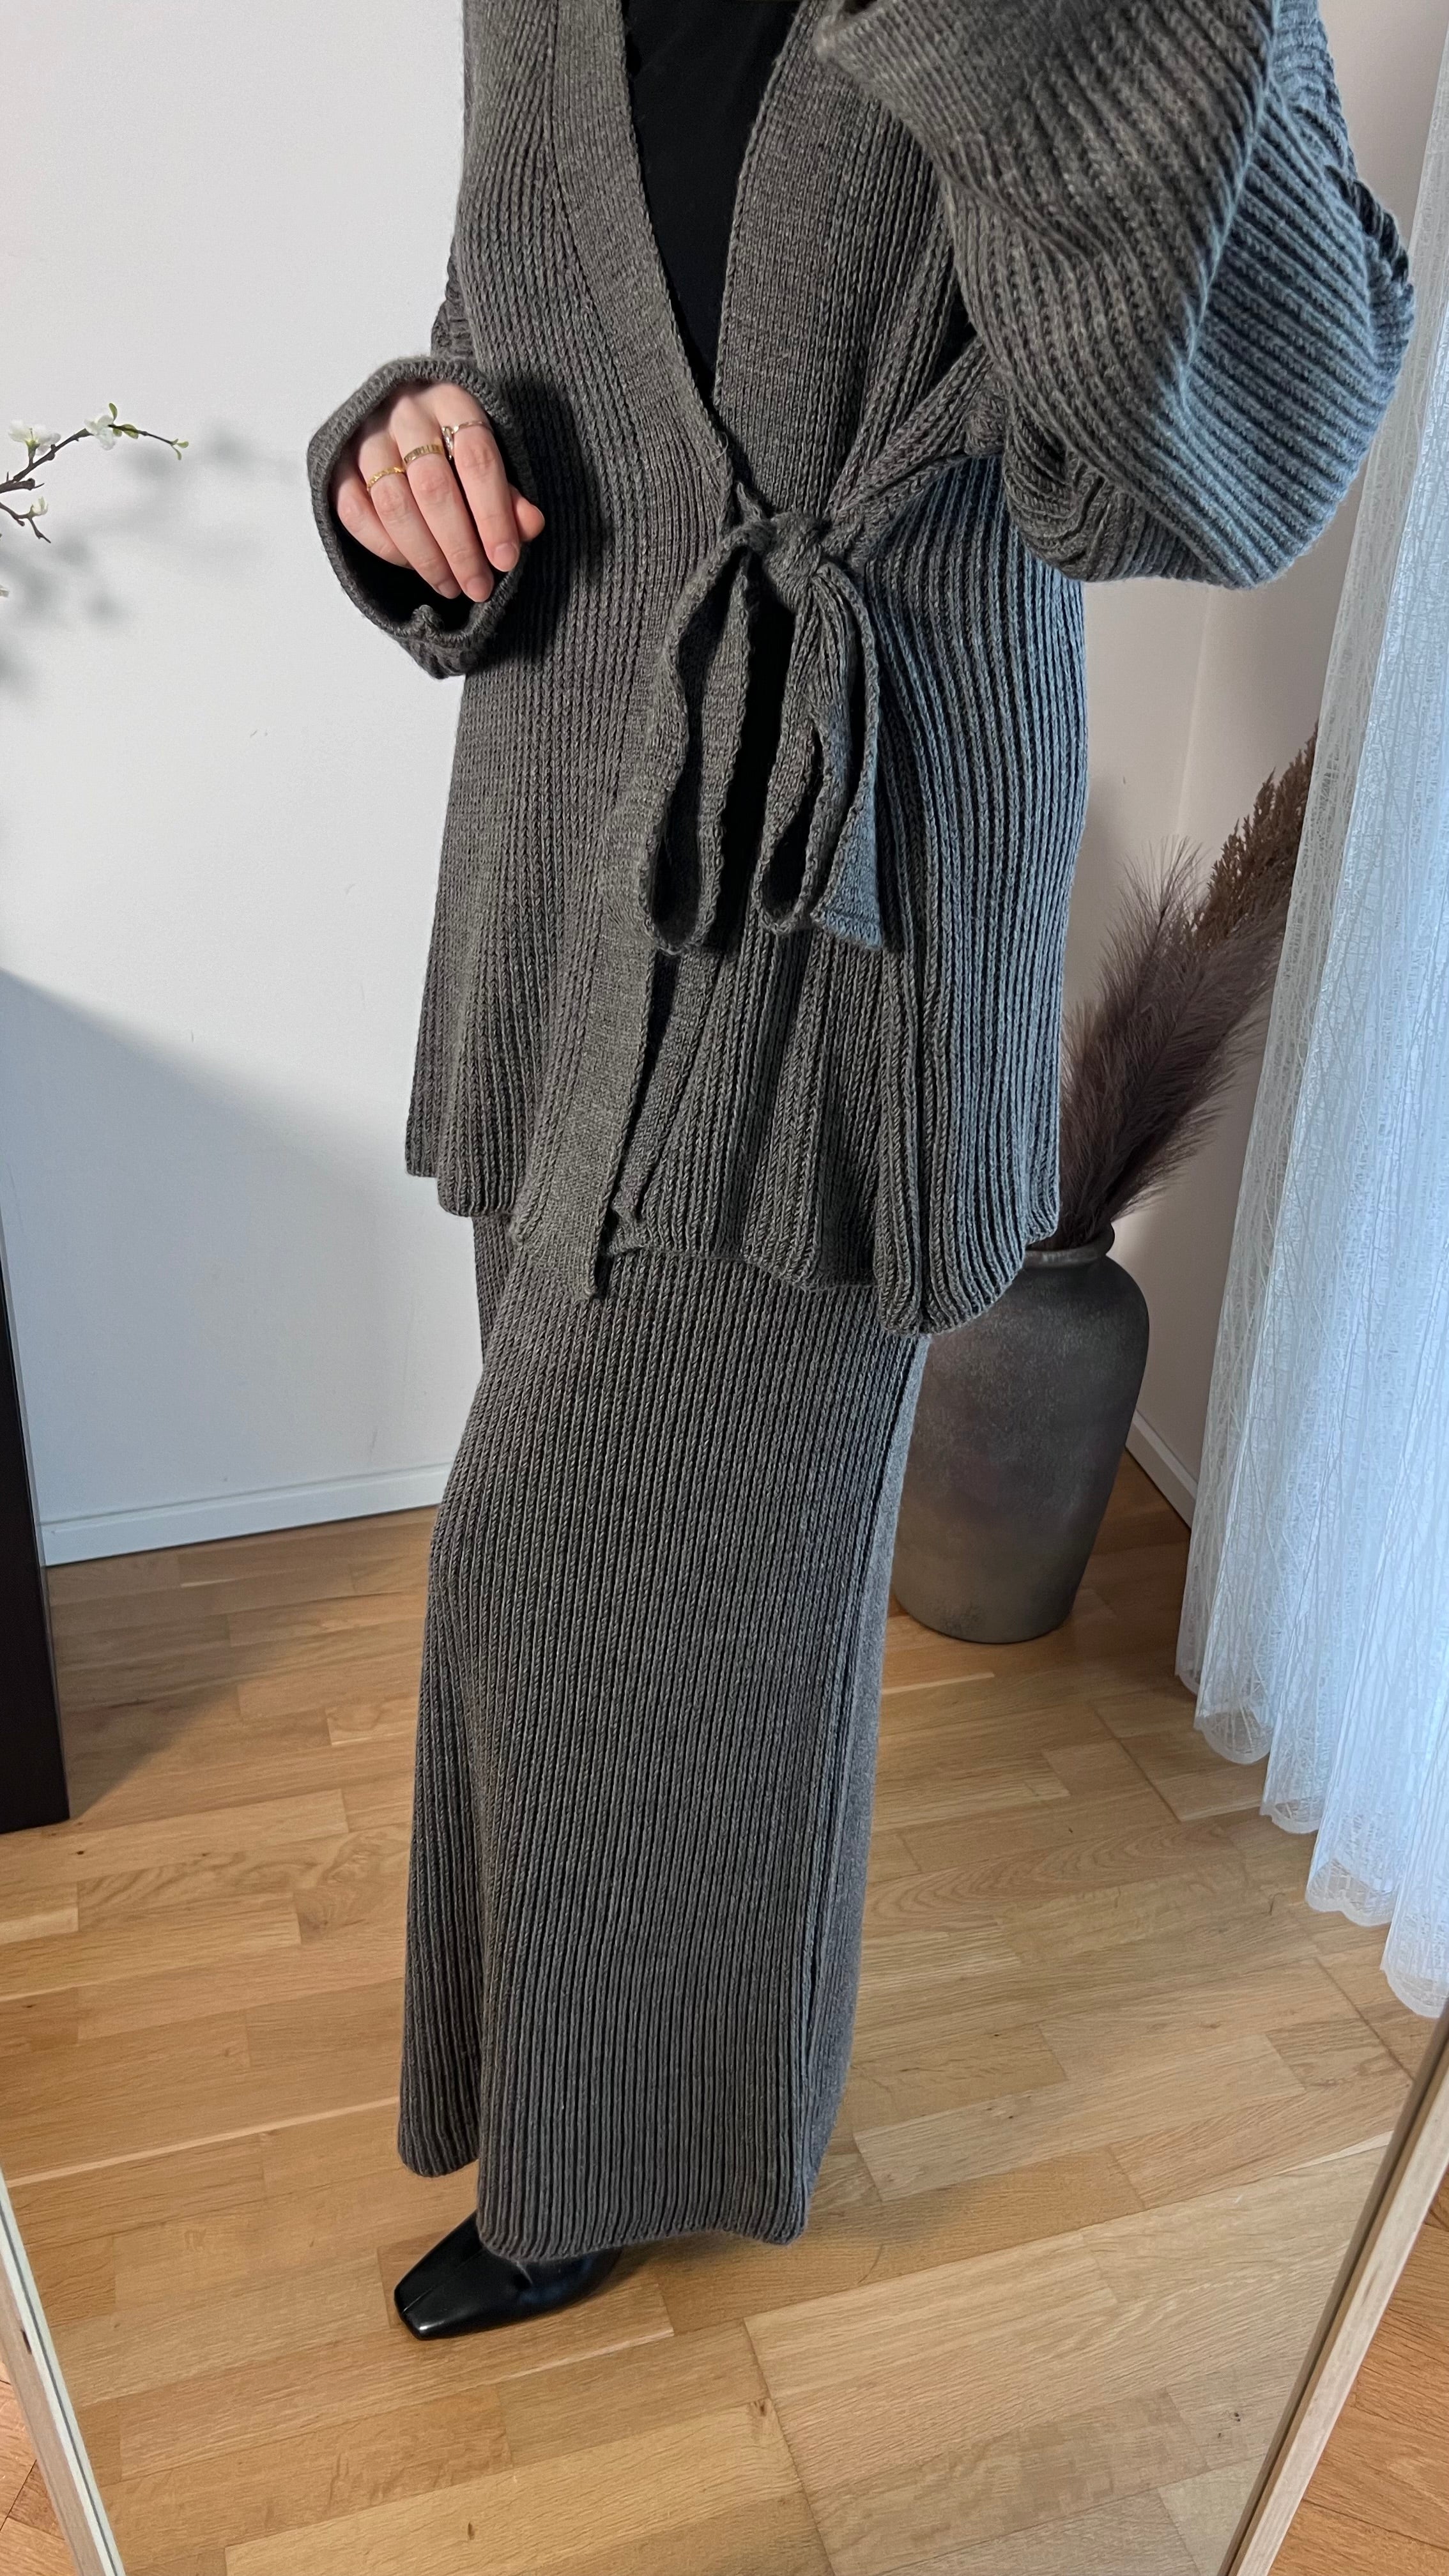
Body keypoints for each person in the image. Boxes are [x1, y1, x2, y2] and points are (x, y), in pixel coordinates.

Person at [307, 0, 1413, 2338]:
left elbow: (1227, 463)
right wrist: (407, 447)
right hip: (571, 831)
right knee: (680, 1581)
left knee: (583, 1543)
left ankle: (604, 2145)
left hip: (855, 871)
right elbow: (505, 325)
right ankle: (632, 2104)